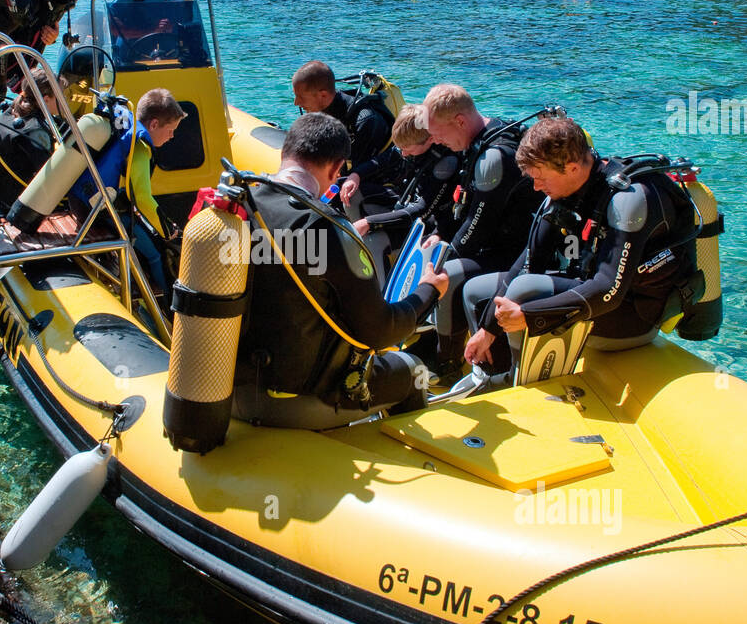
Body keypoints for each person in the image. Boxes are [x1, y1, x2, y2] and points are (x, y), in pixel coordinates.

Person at [232, 112, 448, 429]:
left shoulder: (238, 207)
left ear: (284, 153)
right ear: (335, 169)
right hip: (299, 400)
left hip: (224, 391)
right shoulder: (327, 231)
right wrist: (428, 290)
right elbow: (379, 331)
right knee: (413, 369)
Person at [461, 115, 699, 372]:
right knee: (476, 291)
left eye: (540, 178)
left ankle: (521, 383)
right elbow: (529, 261)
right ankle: (495, 376)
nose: (536, 187)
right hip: (591, 296)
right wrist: (487, 329)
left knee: (524, 290)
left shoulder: (628, 200)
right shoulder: (563, 189)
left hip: (633, 316)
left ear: (572, 167)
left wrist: (531, 316)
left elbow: (608, 291)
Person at [421, 84, 544, 379]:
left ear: (460, 122)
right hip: (499, 242)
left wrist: (440, 260)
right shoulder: (480, 138)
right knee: (441, 259)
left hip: (516, 252)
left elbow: (477, 227)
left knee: (448, 274)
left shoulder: (493, 158)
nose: (435, 141)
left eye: (438, 133)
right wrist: (441, 234)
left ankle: (450, 364)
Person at [71, 87, 186, 290]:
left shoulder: (126, 125)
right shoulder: (140, 147)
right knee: (154, 253)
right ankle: (166, 301)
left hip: (80, 201)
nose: (172, 136)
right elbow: (142, 198)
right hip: (97, 213)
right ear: (154, 124)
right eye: (171, 130)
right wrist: (168, 231)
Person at [344, 103, 461, 252]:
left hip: (428, 219)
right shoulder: (409, 144)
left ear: (430, 139)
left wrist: (369, 223)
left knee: (375, 241)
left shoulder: (445, 163)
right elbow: (381, 161)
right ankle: (356, 239)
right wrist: (355, 175)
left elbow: (421, 210)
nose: (403, 154)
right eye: (400, 148)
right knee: (349, 190)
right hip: (405, 201)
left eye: (408, 150)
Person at [291, 60, 395, 181]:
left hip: (379, 177)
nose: (296, 103)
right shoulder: (321, 111)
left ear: (323, 95)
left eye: (301, 97)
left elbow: (356, 175)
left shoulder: (364, 120)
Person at [0, 66, 60, 211]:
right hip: (22, 204)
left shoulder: (8, 113)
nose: (64, 99)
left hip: (1, 195)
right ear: (46, 99)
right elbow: (51, 178)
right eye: (61, 95)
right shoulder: (35, 131)